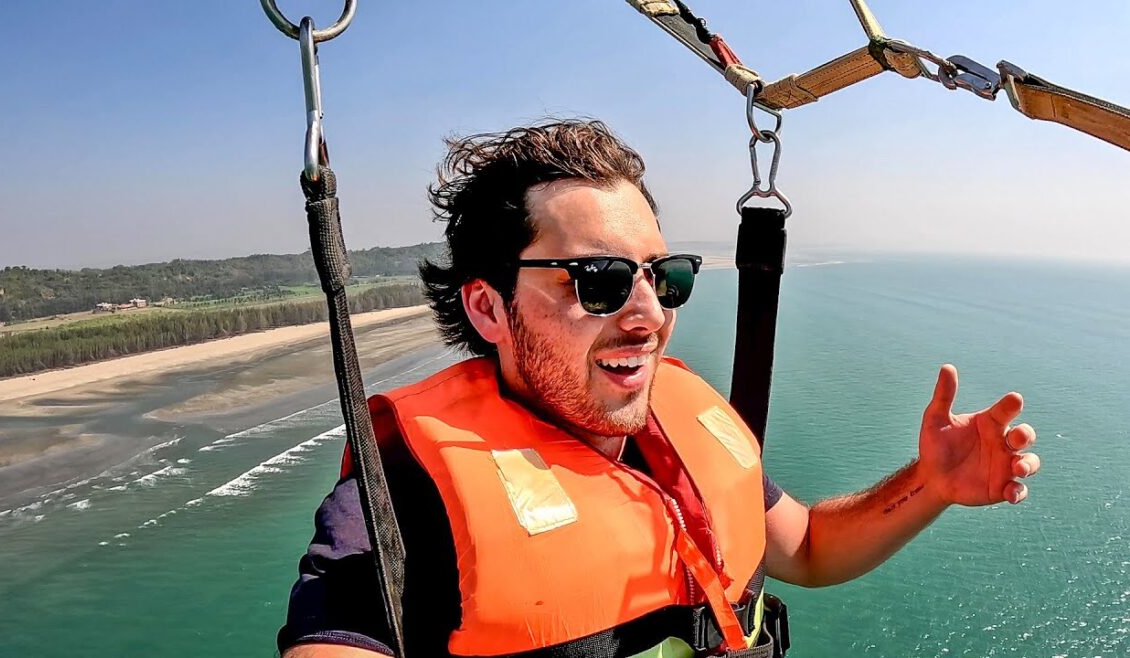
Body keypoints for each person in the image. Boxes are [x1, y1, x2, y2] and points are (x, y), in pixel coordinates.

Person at [277, 119, 1040, 658]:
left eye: (664, 277)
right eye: (599, 281)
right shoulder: (402, 497)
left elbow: (807, 547)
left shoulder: (681, 421)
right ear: (488, 308)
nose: (650, 316)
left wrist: (931, 485)